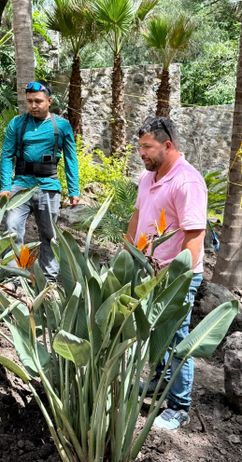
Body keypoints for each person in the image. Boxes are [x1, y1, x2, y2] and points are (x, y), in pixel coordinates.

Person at [127, 116, 207, 431]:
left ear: (167, 145)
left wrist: (177, 278)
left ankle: (179, 406)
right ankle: (159, 382)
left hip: (175, 276)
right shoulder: (149, 175)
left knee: (177, 339)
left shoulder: (186, 181)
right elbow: (137, 215)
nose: (141, 153)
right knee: (155, 334)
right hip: (147, 268)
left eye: (147, 147)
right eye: (140, 147)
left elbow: (194, 238)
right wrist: (129, 252)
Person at [0, 81, 80, 281]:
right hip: (21, 185)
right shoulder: (17, 124)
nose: (34, 105)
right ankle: (13, 276)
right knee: (12, 227)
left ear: (49, 101)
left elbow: (71, 158)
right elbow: (7, 155)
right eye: (30, 102)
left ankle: (49, 277)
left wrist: (74, 190)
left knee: (49, 234)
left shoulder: (61, 126)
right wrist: (5, 187)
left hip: (48, 185)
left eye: (38, 101)